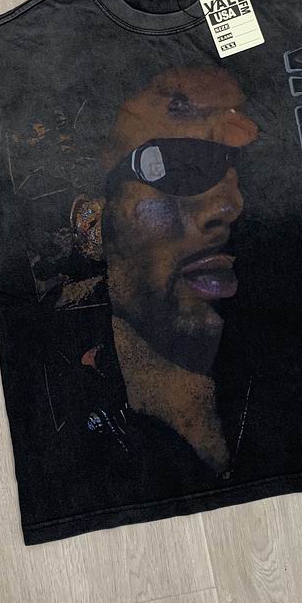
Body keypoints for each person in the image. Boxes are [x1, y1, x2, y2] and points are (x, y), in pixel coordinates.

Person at [68, 64, 258, 482]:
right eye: (175, 166)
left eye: (249, 169)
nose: (229, 207)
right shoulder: (67, 440)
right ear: (91, 223)